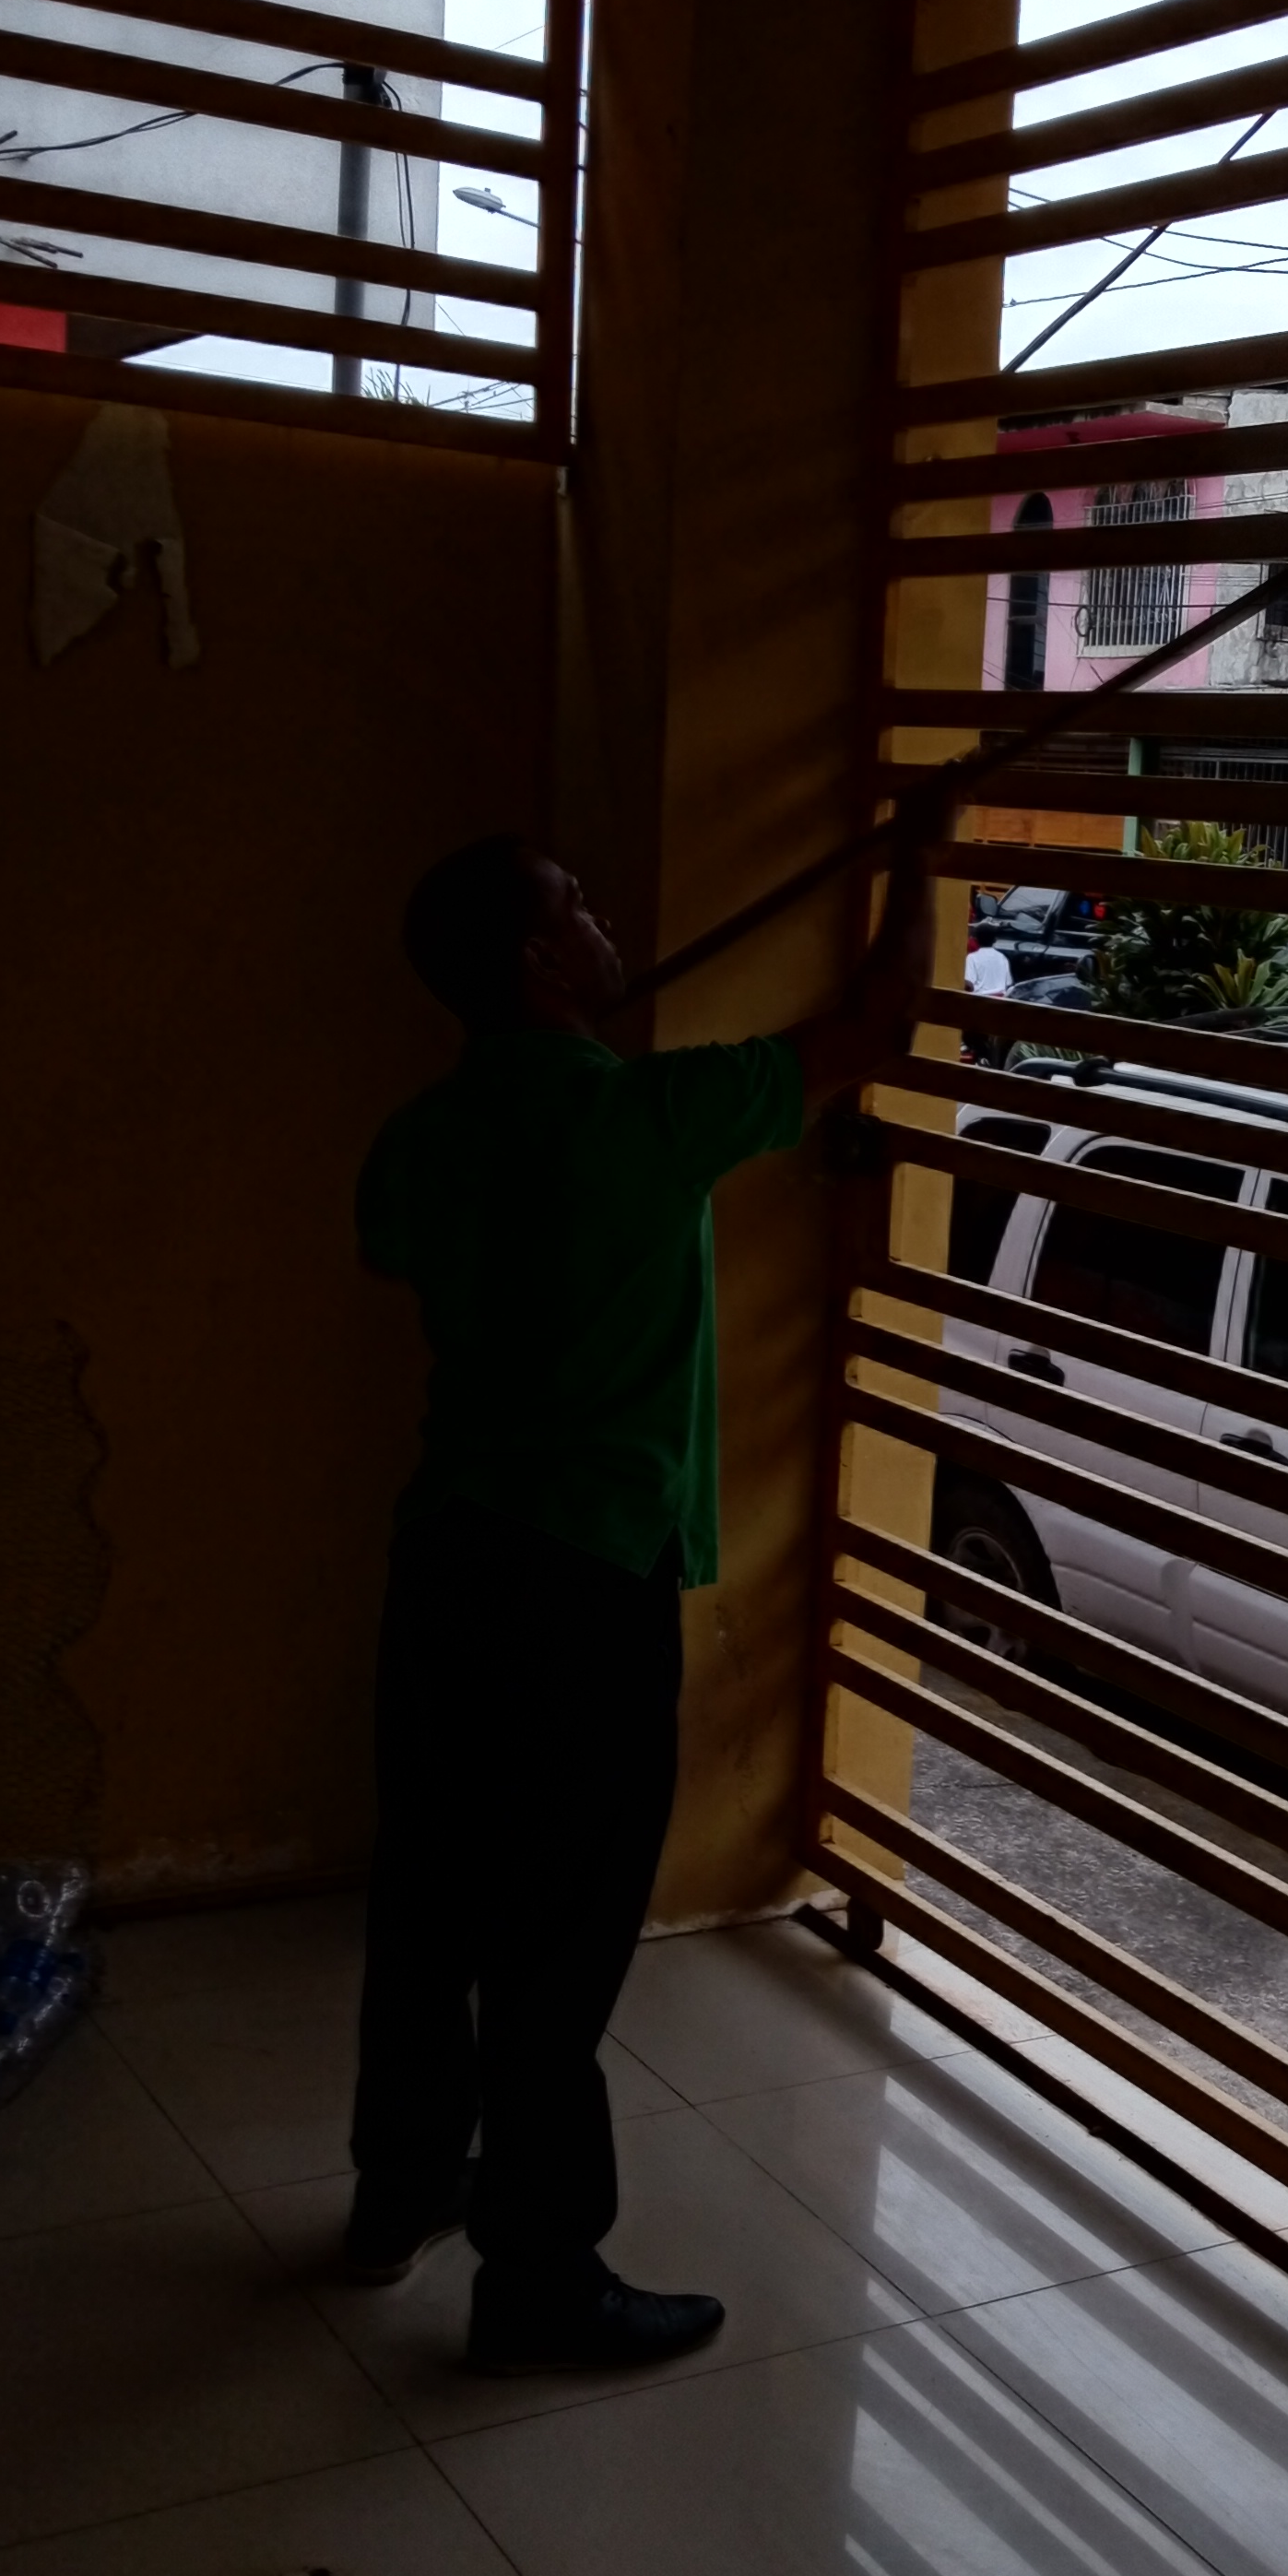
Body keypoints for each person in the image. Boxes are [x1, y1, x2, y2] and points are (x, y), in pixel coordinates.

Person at [343, 829, 936, 2373]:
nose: (607, 922)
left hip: (445, 1559)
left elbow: (396, 1249)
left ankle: (399, 2191)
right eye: (578, 910)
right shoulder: (653, 1116)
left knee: (431, 1893)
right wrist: (919, 861)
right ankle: (540, 2278)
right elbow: (881, 1022)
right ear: (543, 962)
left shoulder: (423, 1136)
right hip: (583, 1579)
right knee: (557, 1938)